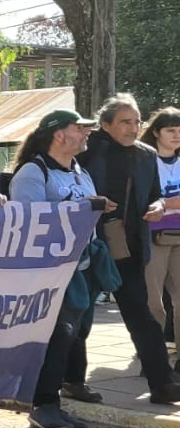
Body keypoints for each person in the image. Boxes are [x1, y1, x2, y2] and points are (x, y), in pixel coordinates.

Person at [9, 110, 113, 428]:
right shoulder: (32, 173)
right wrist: (86, 207)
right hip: (51, 271)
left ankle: (55, 399)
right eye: (79, 128)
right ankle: (43, 405)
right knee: (57, 336)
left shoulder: (80, 170)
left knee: (72, 334)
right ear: (58, 134)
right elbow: (29, 222)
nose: (86, 133)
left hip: (80, 267)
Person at [81, 95, 180, 404]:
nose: (133, 128)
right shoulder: (86, 151)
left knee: (143, 317)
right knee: (78, 319)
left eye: (137, 121)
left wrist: (158, 206)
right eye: (125, 122)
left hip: (130, 249)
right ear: (105, 124)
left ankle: (162, 384)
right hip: (87, 248)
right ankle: (69, 381)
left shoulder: (145, 155)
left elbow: (156, 195)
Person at [141, 107, 180, 349]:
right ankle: (153, 354)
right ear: (156, 132)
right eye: (171, 130)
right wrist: (168, 203)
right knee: (153, 301)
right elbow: (140, 200)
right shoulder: (144, 161)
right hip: (152, 237)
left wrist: (165, 203)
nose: (177, 136)